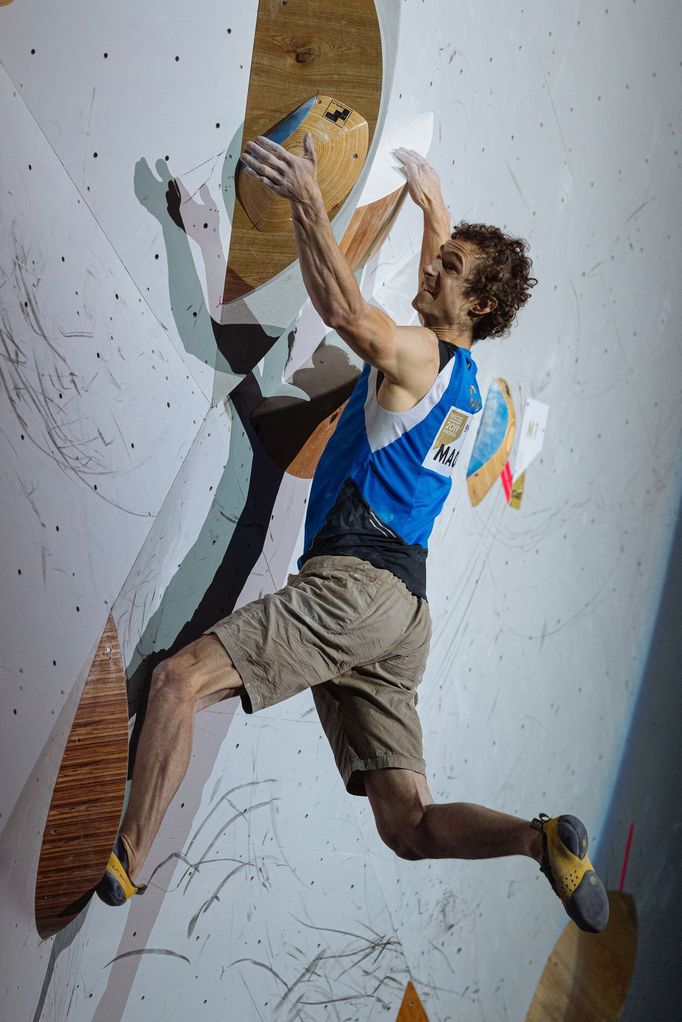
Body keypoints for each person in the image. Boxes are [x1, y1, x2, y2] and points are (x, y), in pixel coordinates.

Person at [97, 138, 609, 934]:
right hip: (403, 618)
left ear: (473, 307)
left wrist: (307, 196)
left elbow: (343, 312)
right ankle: (537, 841)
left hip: (354, 590)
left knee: (177, 682)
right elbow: (453, 270)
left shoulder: (417, 355)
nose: (432, 268)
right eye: (440, 256)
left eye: (449, 267)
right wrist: (435, 200)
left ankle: (124, 859)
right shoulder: (468, 386)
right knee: (409, 826)